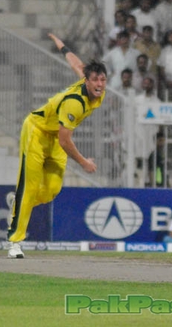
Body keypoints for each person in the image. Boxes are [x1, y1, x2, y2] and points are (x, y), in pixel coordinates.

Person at [6, 34, 106, 259]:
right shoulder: (75, 102)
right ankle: (15, 242)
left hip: (55, 136)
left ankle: (20, 201)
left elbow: (76, 63)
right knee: (30, 186)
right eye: (96, 80)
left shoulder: (92, 84)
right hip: (37, 131)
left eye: (103, 80)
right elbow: (65, 140)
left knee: (51, 190)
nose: (99, 84)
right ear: (87, 81)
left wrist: (61, 45)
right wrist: (84, 163)